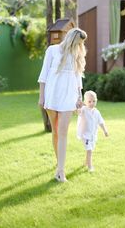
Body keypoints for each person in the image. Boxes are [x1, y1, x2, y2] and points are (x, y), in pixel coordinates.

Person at [38, 27, 87, 182]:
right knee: (56, 133)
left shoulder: (77, 53)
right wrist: (42, 97)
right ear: (72, 39)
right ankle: (59, 164)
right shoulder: (52, 50)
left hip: (69, 97)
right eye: (78, 42)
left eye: (81, 44)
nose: (79, 46)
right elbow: (44, 75)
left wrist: (79, 97)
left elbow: (78, 77)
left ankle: (60, 171)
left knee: (63, 132)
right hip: (52, 95)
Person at [77, 90, 108, 172]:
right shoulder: (84, 109)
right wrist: (79, 108)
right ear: (85, 102)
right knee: (89, 150)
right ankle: (90, 166)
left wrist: (105, 131)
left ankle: (86, 163)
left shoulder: (97, 112)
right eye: (89, 101)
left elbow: (101, 122)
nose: (92, 103)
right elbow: (78, 112)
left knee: (90, 149)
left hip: (93, 135)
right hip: (85, 135)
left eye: (94, 101)